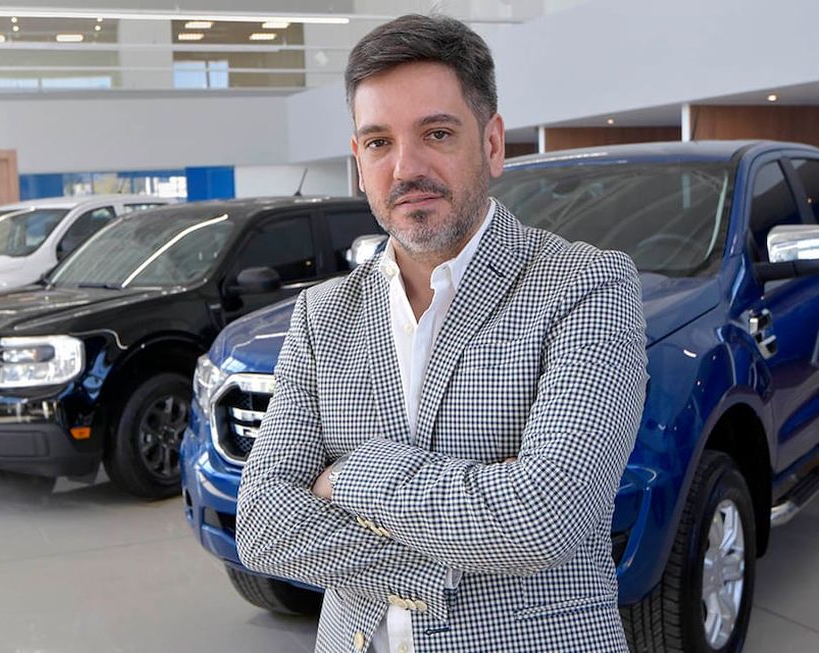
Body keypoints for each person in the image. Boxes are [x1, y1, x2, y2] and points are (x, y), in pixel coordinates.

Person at [236, 13, 647, 653]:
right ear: (357, 159)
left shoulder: (585, 287)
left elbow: (542, 516)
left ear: (491, 144)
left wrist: (349, 479)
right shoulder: (323, 314)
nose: (406, 168)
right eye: (378, 142)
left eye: (436, 132)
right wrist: (451, 538)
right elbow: (264, 524)